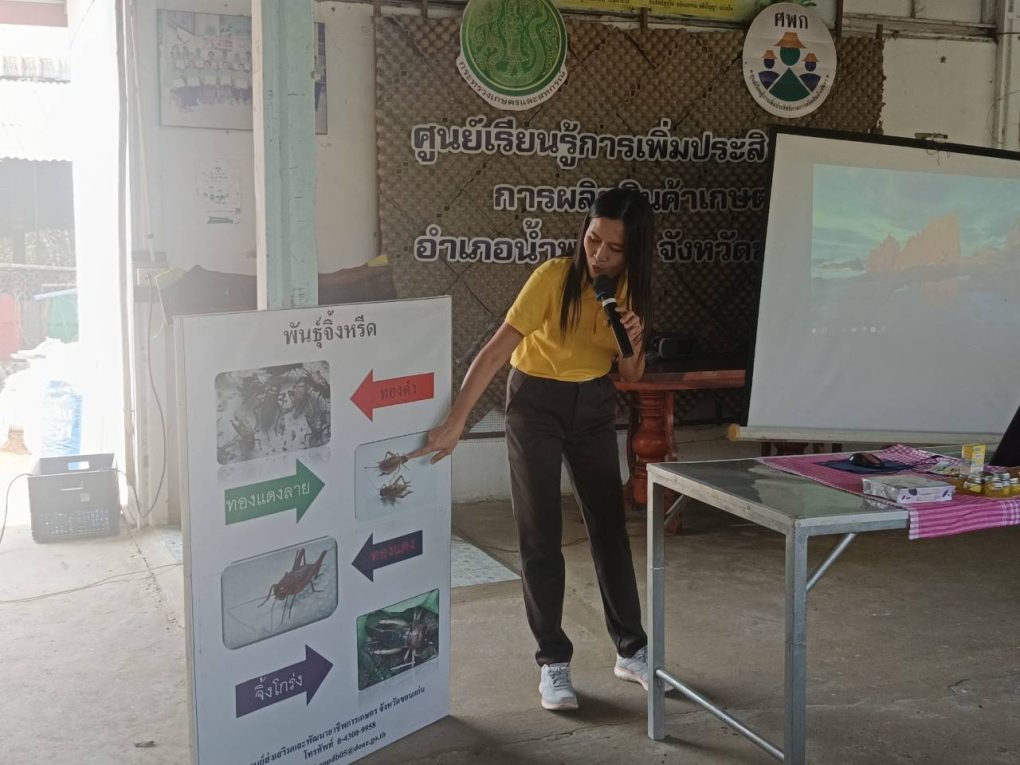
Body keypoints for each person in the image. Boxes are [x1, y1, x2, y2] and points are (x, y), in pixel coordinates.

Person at [410, 187, 668, 711]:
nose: (598, 254)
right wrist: (457, 421)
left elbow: (630, 373)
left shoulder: (630, 294)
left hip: (594, 403)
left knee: (610, 529)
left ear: (634, 252)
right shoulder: (553, 277)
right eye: (592, 239)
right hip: (535, 402)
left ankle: (632, 649)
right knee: (540, 532)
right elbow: (495, 352)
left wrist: (634, 341)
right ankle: (553, 659)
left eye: (614, 248)